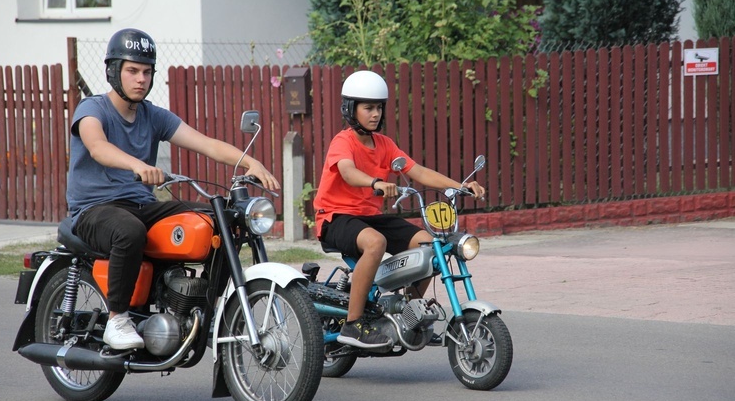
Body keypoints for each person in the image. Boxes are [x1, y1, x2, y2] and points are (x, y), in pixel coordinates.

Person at [67, 28, 279, 350]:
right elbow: (97, 147)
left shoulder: (153, 116)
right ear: (113, 72)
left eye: (146, 72)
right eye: (132, 71)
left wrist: (251, 162)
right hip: (94, 210)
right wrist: (137, 165)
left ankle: (202, 310)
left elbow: (206, 144)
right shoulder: (92, 109)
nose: (140, 79)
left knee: (218, 220)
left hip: (140, 205)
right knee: (128, 231)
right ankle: (117, 319)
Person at [312, 70, 485, 349]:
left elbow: (418, 171)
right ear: (350, 109)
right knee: (375, 242)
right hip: (335, 217)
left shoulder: (384, 144)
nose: (375, 114)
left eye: (379, 107)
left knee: (431, 247)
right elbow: (347, 171)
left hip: (370, 218)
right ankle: (353, 325)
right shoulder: (343, 142)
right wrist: (374, 182)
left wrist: (461, 186)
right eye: (368, 107)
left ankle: (409, 316)